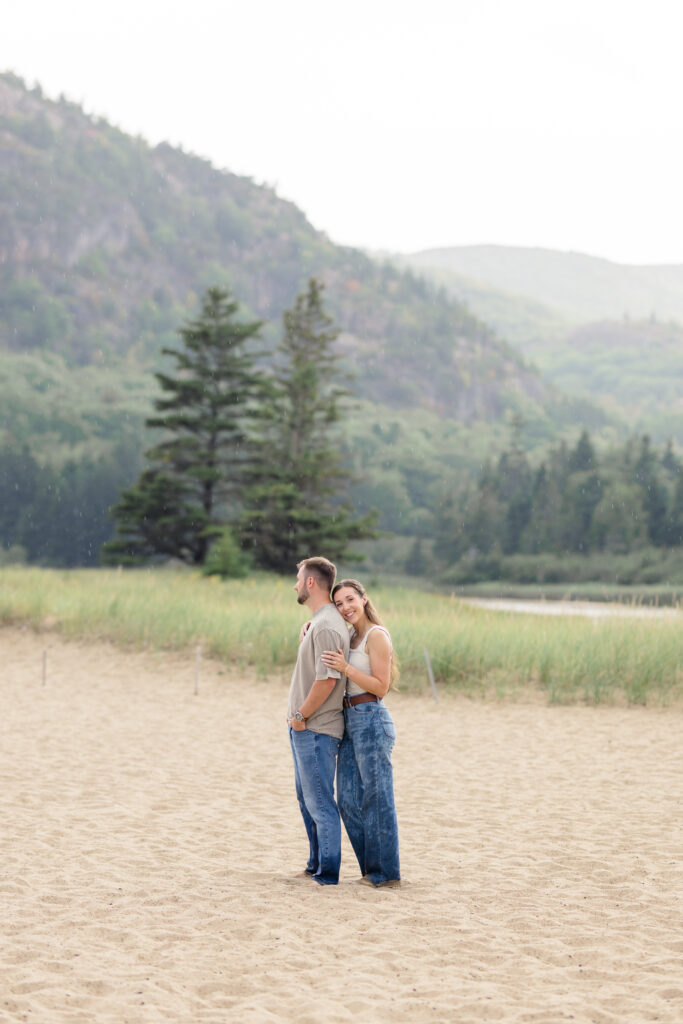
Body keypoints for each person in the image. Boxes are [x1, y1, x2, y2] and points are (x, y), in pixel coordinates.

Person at [321, 578, 400, 888]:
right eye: (339, 603)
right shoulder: (350, 635)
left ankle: (385, 874)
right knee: (348, 800)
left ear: (364, 599)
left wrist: (346, 668)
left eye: (350, 599)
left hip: (371, 718)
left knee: (377, 799)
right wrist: (307, 629)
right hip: (349, 720)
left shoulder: (376, 635)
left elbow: (381, 687)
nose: (345, 607)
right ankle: (371, 870)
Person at [287, 556, 350, 886]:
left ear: (311, 583)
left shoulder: (326, 625)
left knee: (320, 802)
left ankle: (327, 874)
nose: (295, 585)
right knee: (307, 800)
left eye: (299, 579)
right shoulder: (320, 623)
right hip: (306, 728)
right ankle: (315, 865)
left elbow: (327, 681)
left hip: (315, 728)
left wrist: (300, 716)